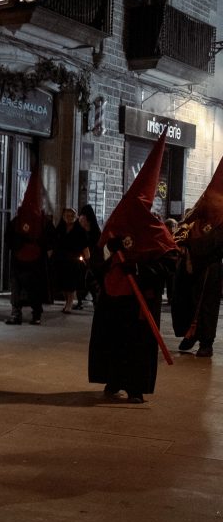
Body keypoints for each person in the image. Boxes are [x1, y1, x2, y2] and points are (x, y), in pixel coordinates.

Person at [88, 136, 177, 402]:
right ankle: (114, 379)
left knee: (137, 345)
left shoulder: (156, 230)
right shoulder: (117, 222)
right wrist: (110, 247)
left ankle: (136, 386)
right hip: (114, 298)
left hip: (140, 301)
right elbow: (99, 258)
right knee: (113, 341)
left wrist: (137, 267)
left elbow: (169, 262)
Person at [172, 157, 223, 358]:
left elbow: (215, 242)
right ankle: (190, 333)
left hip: (210, 266)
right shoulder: (199, 211)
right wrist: (182, 243)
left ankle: (206, 341)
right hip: (190, 263)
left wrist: (192, 247)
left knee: (207, 305)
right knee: (187, 300)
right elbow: (183, 226)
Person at [4, 167, 51, 325]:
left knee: (25, 287)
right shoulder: (40, 222)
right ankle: (30, 314)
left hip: (26, 260)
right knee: (28, 287)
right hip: (29, 260)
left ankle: (21, 313)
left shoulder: (22, 221)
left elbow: (8, 238)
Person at [52, 207, 87, 313]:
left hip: (73, 260)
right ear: (63, 217)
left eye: (72, 216)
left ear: (76, 217)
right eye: (67, 216)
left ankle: (69, 304)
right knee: (62, 283)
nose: (69, 218)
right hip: (61, 259)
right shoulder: (60, 228)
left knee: (70, 283)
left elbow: (85, 245)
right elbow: (55, 241)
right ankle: (67, 301)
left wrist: (86, 258)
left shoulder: (79, 230)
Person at [76, 204, 102, 309]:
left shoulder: (95, 231)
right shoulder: (80, 230)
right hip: (81, 258)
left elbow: (97, 244)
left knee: (92, 281)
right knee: (80, 280)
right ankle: (79, 301)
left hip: (93, 259)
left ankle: (96, 300)